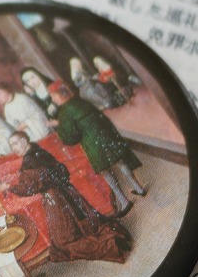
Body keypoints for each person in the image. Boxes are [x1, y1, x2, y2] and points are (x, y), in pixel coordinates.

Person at [0, 132, 131, 264]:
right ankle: (111, 240)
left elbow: (29, 187)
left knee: (64, 242)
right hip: (67, 191)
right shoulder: (38, 151)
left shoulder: (29, 161)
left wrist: (10, 187)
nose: (14, 148)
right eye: (12, 145)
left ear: (24, 141)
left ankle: (111, 245)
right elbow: (61, 170)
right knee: (85, 226)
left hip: (56, 199)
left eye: (15, 144)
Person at [49, 81, 146, 216]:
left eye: (54, 96)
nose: (53, 100)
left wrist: (58, 126)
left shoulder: (64, 112)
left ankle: (124, 201)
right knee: (120, 162)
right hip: (104, 134)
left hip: (92, 143)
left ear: (62, 94)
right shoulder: (80, 101)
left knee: (106, 171)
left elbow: (70, 136)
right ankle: (139, 188)